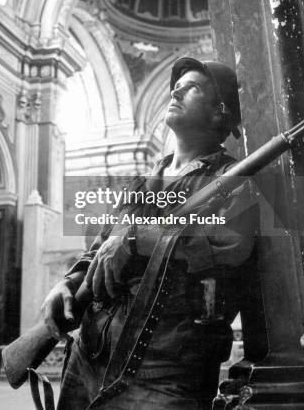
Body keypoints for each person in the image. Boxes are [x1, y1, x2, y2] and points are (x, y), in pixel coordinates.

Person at [40, 57, 258, 410]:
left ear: (220, 111)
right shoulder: (141, 183)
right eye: (177, 85)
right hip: (90, 355)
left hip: (167, 369)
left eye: (192, 87)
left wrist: (137, 238)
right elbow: (99, 248)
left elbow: (229, 246)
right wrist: (67, 283)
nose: (176, 90)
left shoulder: (234, 180)